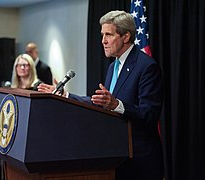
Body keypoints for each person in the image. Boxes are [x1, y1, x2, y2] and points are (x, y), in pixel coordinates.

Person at [38, 10, 164, 180]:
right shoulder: (114, 67)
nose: (103, 41)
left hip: (139, 162)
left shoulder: (146, 67)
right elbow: (102, 104)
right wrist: (66, 96)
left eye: (108, 35)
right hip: (115, 157)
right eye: (102, 34)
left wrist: (117, 105)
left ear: (126, 37)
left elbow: (149, 114)